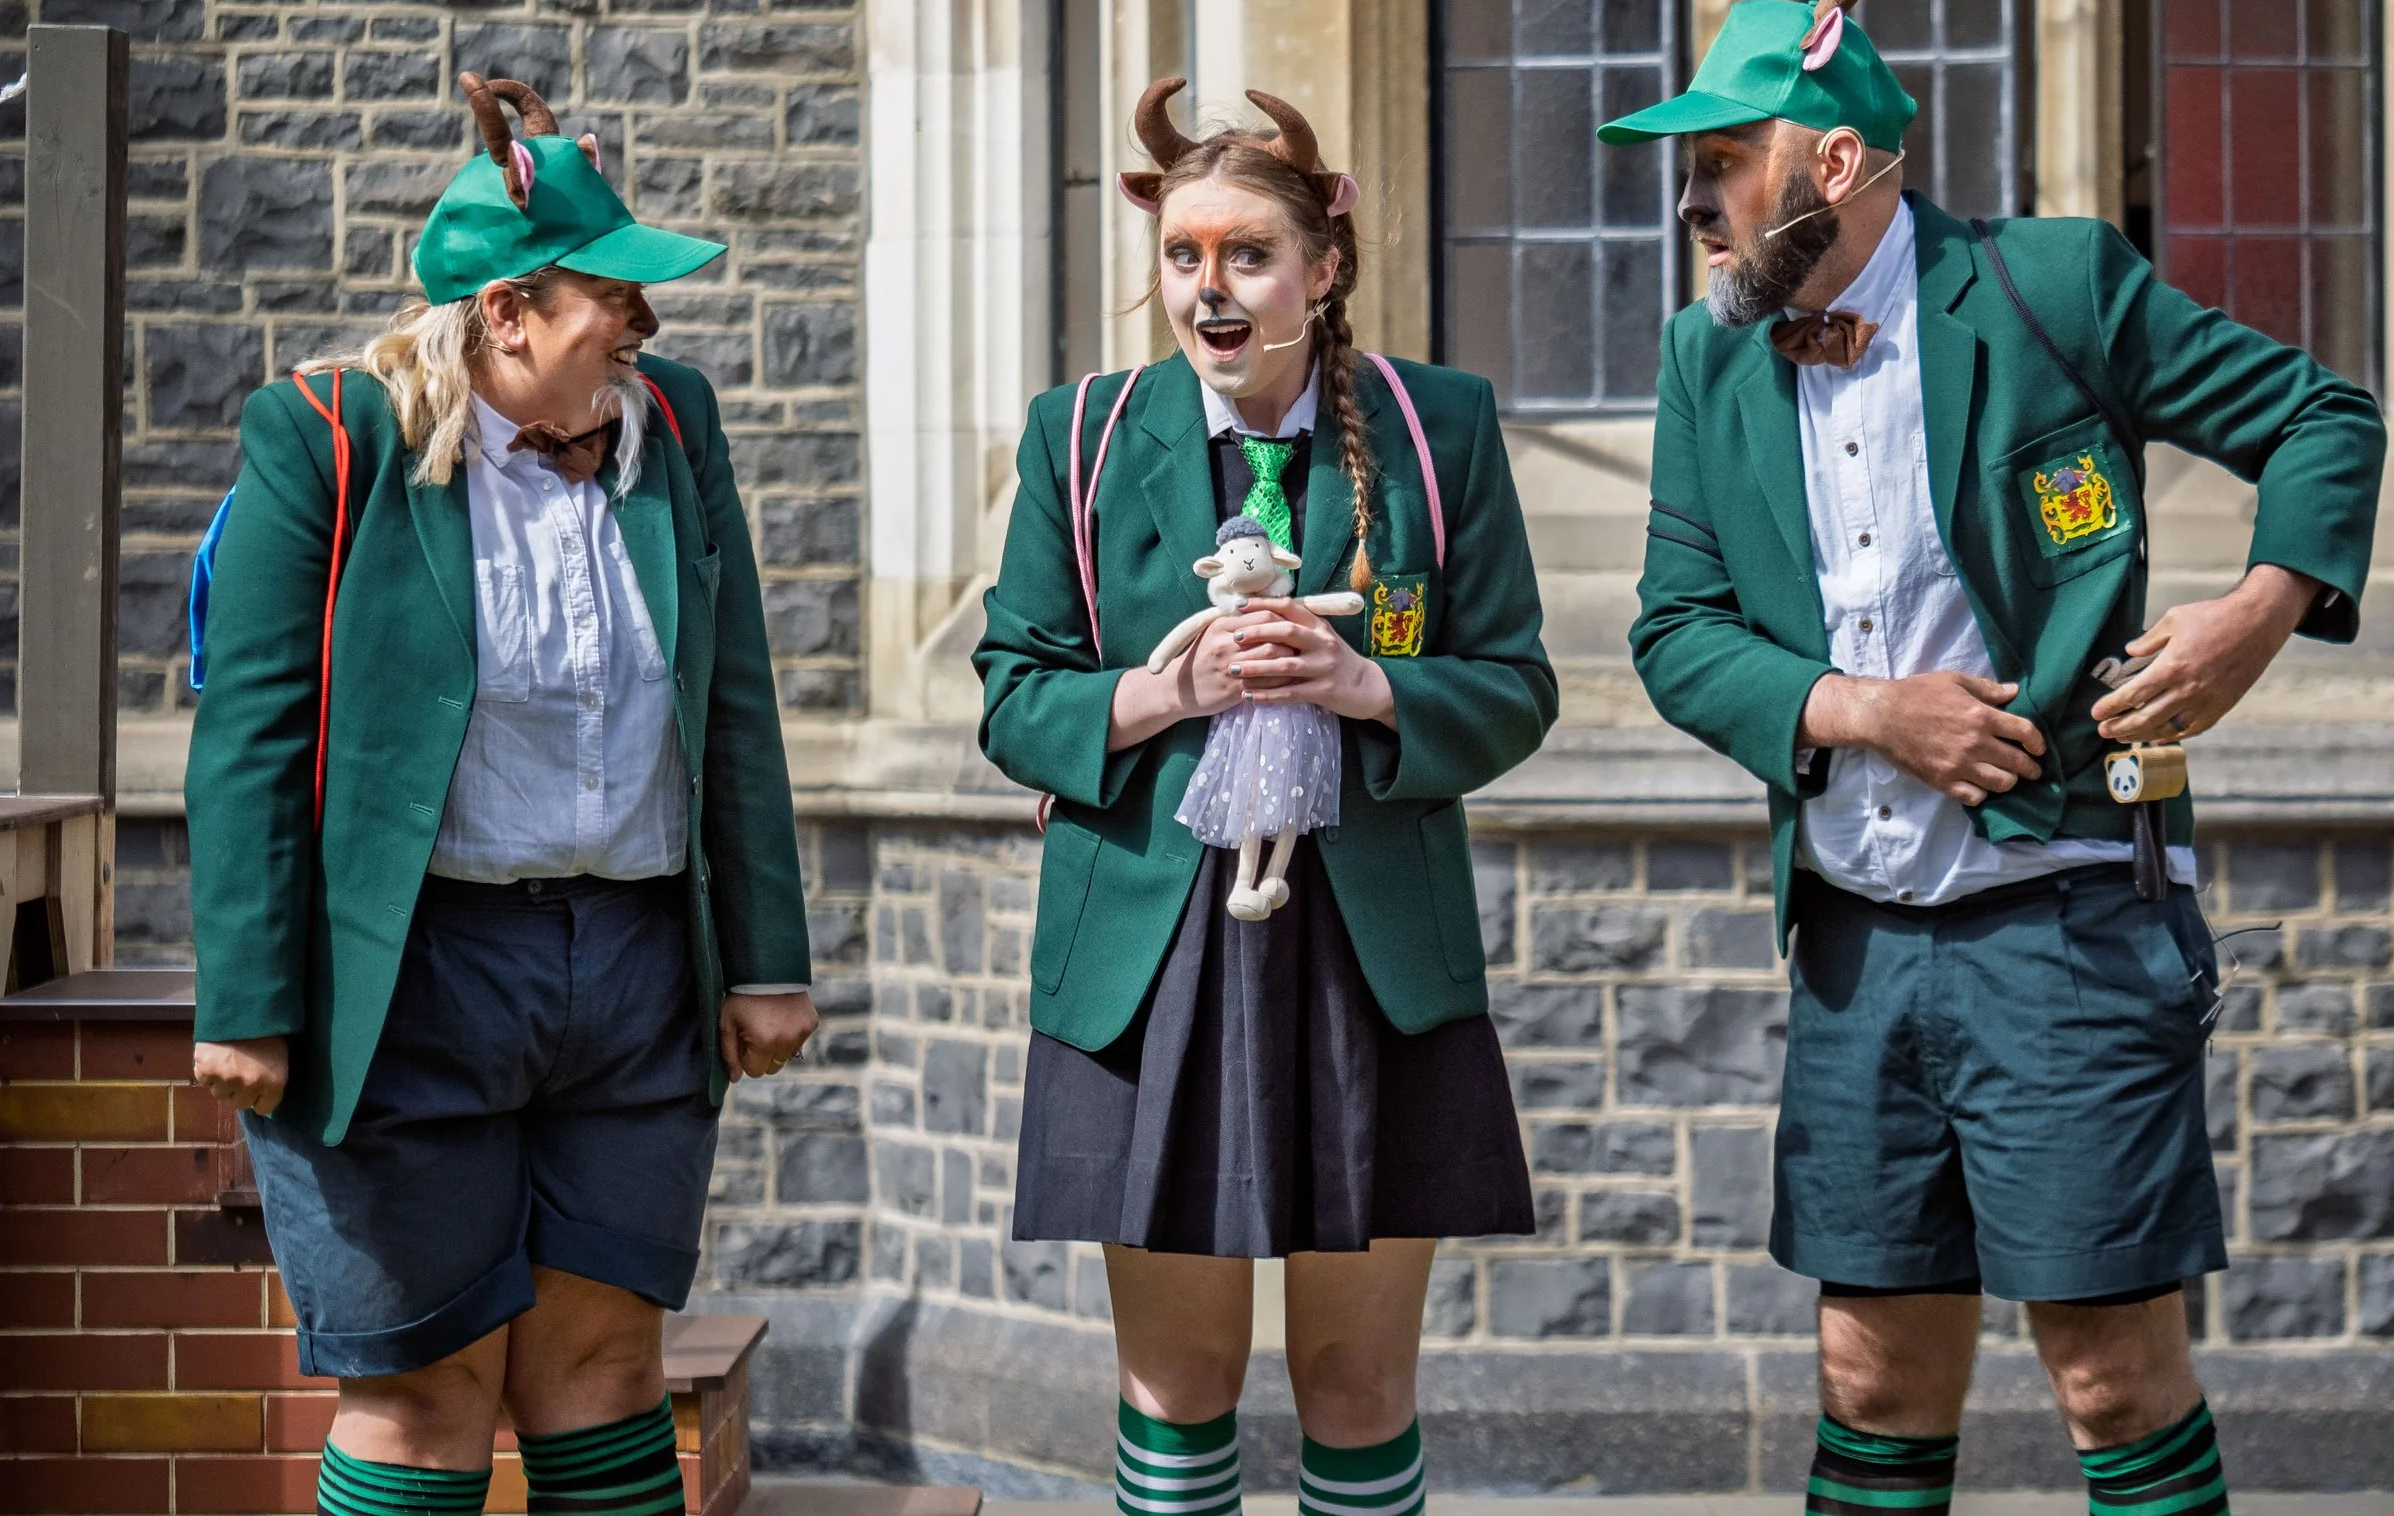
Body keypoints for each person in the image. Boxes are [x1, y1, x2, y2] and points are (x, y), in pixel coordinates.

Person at [1616, 0, 2385, 1516]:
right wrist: (1864, 710)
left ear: (1836, 164)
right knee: (1869, 1376)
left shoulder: (2052, 286)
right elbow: (1677, 632)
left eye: (1725, 164)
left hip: (2072, 918)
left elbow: (2323, 419)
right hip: (1855, 940)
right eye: (1687, 170)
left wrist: (2254, 616)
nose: (1694, 202)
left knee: (2110, 1371)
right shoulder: (1707, 358)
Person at [186, 75, 818, 1516]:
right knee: (424, 1389)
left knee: (606, 1368)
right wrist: (247, 997)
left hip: (639, 968)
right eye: (612, 293)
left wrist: (766, 956)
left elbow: (733, 697)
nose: (643, 322)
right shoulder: (328, 434)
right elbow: (252, 735)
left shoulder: (676, 423)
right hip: (410, 977)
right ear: (508, 312)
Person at [975, 80, 1555, 1516]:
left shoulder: (1438, 426)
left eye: (1247, 254)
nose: (1209, 287)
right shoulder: (1078, 433)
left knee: (1356, 1381)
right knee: (1178, 1380)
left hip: (1370, 951)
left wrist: (1369, 690)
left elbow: (1516, 684)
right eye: (1184, 256)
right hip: (1154, 950)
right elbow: (1013, 694)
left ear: (1324, 265)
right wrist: (1164, 692)